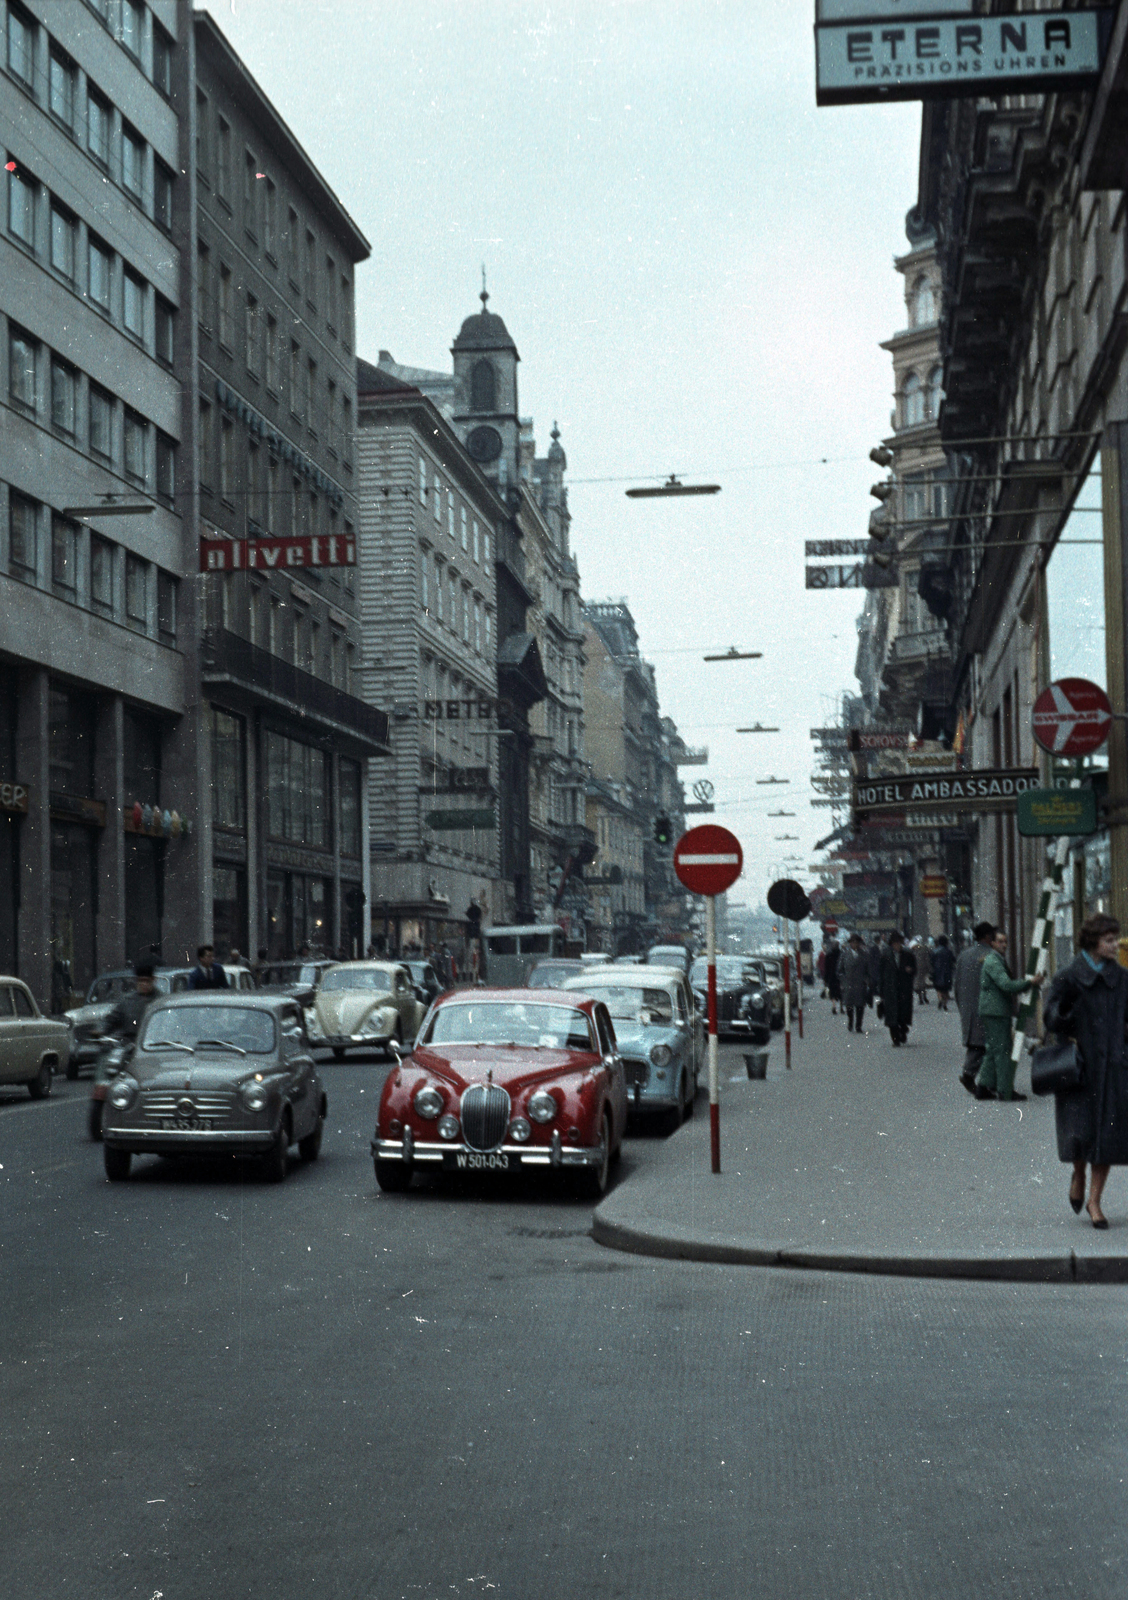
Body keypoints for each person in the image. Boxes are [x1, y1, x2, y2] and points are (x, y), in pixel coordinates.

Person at [1042, 914, 1128, 1229]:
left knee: (1107, 1134)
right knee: (1081, 1132)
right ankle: (1078, 1172)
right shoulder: (1068, 977)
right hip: (1079, 1067)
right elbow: (1050, 1019)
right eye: (1109, 940)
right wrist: (1067, 1014)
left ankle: (1095, 1201)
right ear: (1093, 942)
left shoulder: (1122, 978)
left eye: (1115, 939)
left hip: (1114, 1068)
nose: (1115, 945)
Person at [975, 928, 1043, 1102]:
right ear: (992, 943)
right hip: (996, 1011)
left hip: (993, 1010)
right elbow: (1006, 985)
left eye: (1005, 941)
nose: (1004, 945)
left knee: (993, 1049)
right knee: (1003, 1050)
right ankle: (1005, 1091)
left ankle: (983, 1087)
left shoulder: (994, 959)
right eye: (1000, 941)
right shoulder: (994, 961)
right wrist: (1029, 982)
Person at [954, 921, 994, 1093]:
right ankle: (969, 1075)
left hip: (967, 1008)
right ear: (987, 936)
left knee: (977, 1043)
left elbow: (956, 985)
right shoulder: (992, 955)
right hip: (986, 1008)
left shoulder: (964, 955)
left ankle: (976, 1077)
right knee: (982, 1045)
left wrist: (961, 1005)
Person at [879, 932, 915, 1045]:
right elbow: (881, 973)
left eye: (899, 943)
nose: (897, 946)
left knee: (903, 1014)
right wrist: (881, 991)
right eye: (895, 943)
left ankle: (903, 1030)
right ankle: (895, 1038)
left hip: (904, 989)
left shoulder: (908, 954)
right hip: (890, 989)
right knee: (891, 1015)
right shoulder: (886, 955)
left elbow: (915, 969)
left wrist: (911, 970)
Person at [105, 963, 158, 1040]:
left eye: (147, 981)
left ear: (153, 980)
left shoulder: (161, 1000)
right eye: (141, 981)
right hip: (130, 1042)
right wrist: (101, 1029)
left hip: (153, 1042)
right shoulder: (128, 1001)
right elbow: (112, 1019)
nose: (143, 984)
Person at [839, 933, 869, 1035]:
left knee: (860, 1006)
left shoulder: (864, 955)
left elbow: (868, 970)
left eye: (857, 942)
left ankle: (858, 1025)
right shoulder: (844, 955)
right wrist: (843, 980)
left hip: (860, 984)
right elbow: (839, 970)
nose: (855, 944)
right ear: (850, 943)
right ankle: (850, 1021)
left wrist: (866, 979)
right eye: (853, 942)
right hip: (849, 984)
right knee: (849, 1006)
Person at [931, 935, 955, 1011]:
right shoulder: (949, 951)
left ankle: (940, 999)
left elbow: (931, 962)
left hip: (937, 972)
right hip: (947, 972)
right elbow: (953, 960)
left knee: (938, 989)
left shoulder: (935, 951)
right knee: (946, 989)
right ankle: (945, 1003)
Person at [823, 936, 842, 1015]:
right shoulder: (841, 954)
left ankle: (834, 1006)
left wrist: (826, 979)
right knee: (841, 992)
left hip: (832, 977)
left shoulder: (829, 955)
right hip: (839, 977)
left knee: (833, 993)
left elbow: (826, 968)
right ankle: (841, 1006)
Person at [914, 938, 932, 1004]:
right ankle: (923, 997)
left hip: (918, 968)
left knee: (919, 983)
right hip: (923, 968)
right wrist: (929, 968)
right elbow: (927, 959)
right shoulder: (925, 949)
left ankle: (921, 998)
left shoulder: (915, 949)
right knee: (923, 984)